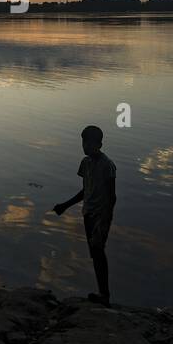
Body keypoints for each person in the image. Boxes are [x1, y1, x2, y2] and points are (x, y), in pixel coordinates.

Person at [52, 125, 117, 306]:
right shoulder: (85, 163)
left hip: (101, 216)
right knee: (95, 254)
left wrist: (105, 220)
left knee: (98, 251)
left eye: (90, 143)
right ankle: (102, 293)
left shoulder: (108, 166)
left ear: (100, 144)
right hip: (88, 214)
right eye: (84, 142)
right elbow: (85, 191)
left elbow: (112, 197)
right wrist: (65, 205)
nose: (86, 146)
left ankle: (105, 295)